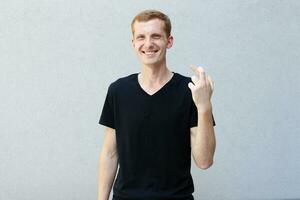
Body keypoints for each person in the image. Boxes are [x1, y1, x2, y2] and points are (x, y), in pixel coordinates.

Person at [98, 9, 216, 200]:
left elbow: (204, 161)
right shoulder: (118, 91)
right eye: (141, 37)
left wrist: (204, 107)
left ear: (169, 41)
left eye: (156, 36)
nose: (148, 44)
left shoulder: (190, 91)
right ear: (133, 43)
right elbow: (110, 153)